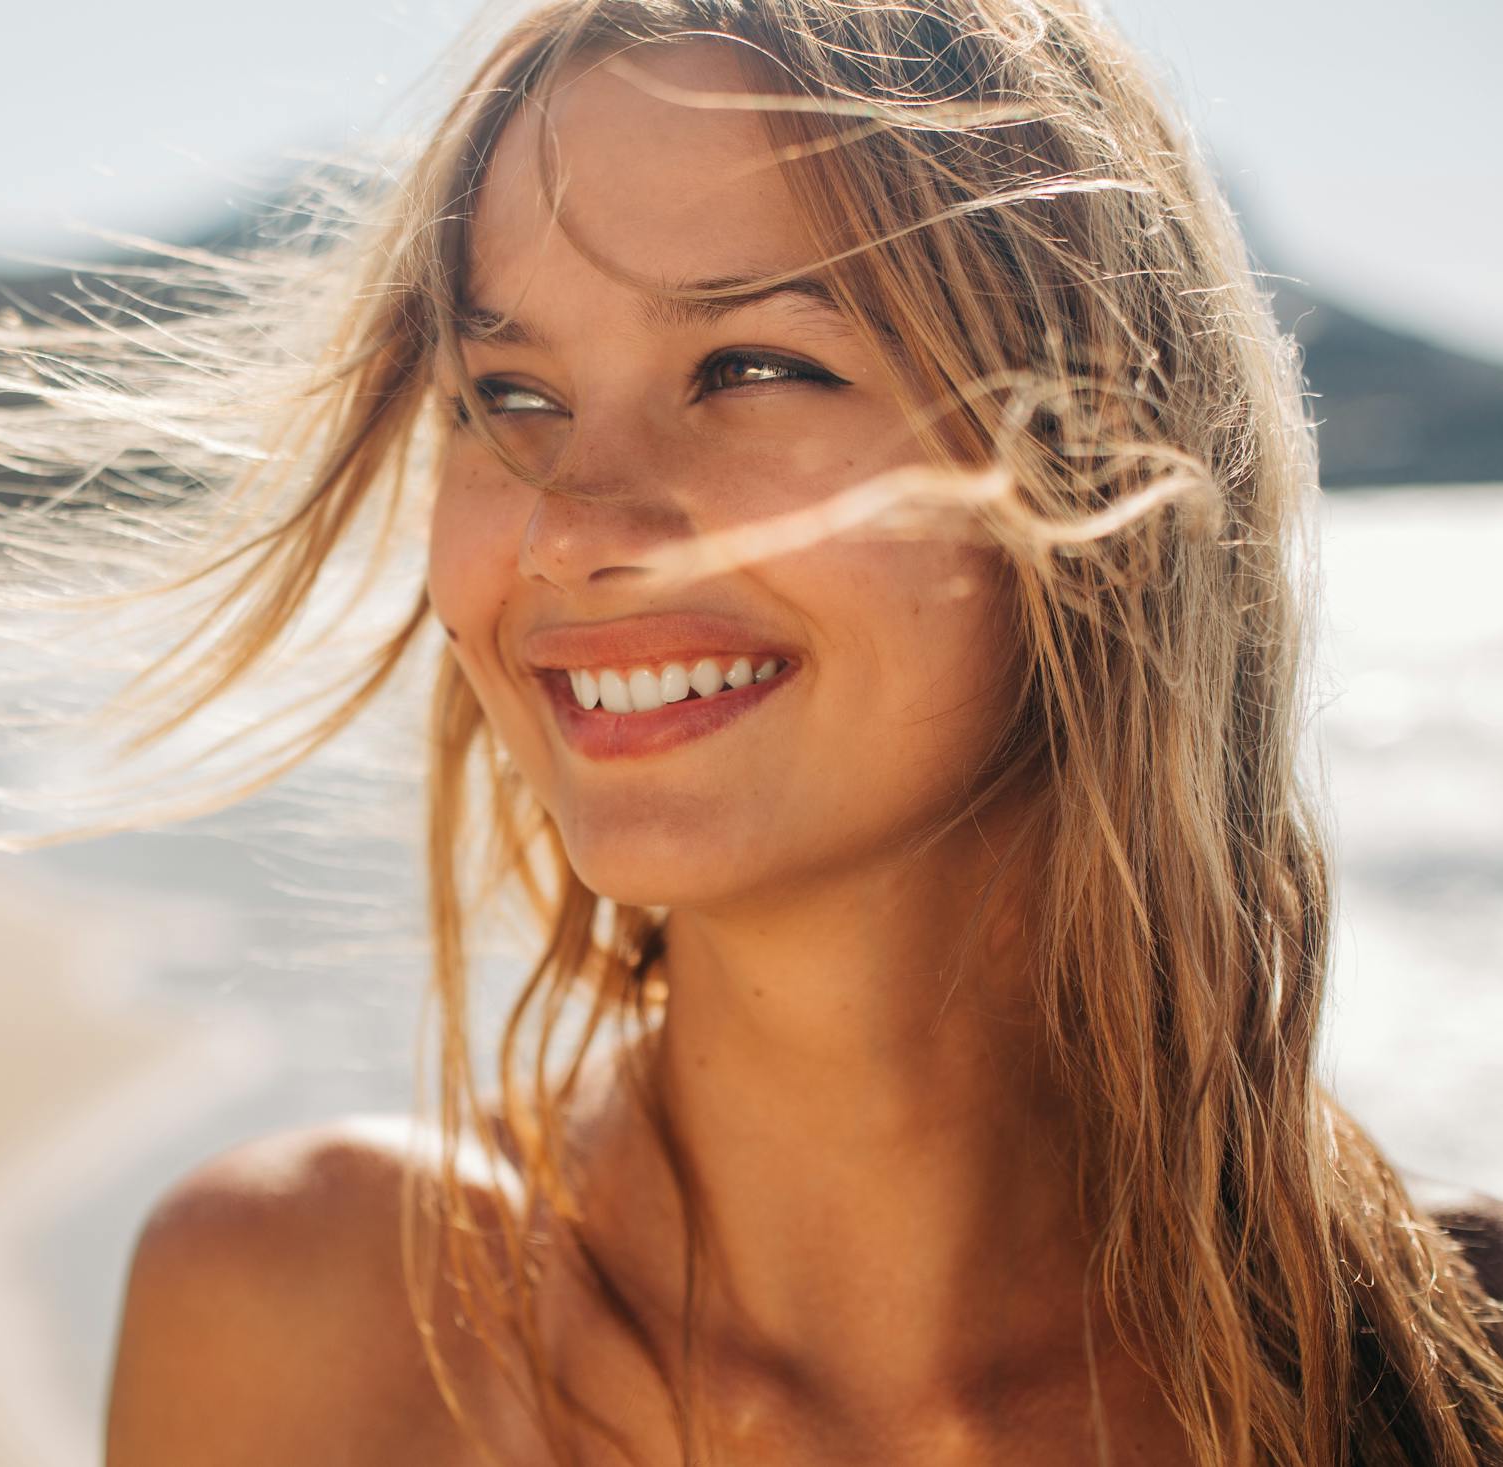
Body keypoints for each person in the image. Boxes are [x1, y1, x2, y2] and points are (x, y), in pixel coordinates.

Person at [85, 2, 1503, 1465]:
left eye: (753, 365)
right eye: (507, 395)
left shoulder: (1443, 1372)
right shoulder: (308, 1324)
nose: (571, 529)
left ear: (1107, 470)